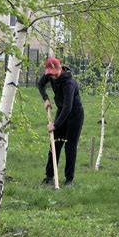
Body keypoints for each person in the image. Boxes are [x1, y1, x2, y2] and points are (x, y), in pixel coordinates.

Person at [38, 57, 84, 188]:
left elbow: (68, 107)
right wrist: (45, 98)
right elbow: (40, 84)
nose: (51, 76)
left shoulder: (69, 83)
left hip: (74, 115)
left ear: (60, 69)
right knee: (54, 144)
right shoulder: (51, 76)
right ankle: (49, 177)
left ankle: (69, 180)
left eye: (53, 73)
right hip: (61, 112)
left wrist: (55, 124)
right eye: (49, 74)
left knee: (70, 147)